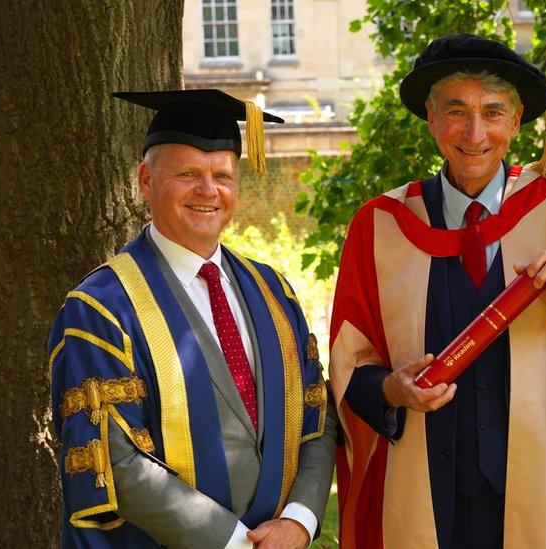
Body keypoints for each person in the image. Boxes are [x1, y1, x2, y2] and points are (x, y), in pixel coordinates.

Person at [328, 33, 546, 548]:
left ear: (515, 123)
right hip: (423, 494)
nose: (474, 132)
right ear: (429, 116)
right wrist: (391, 390)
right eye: (455, 110)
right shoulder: (380, 226)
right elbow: (347, 371)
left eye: (492, 112)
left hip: (544, 492)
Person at [49, 89, 336, 548]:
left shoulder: (273, 292)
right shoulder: (101, 307)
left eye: (221, 175)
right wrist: (235, 543)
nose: (208, 191)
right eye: (187, 174)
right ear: (145, 181)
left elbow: (317, 414)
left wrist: (299, 521)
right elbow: (113, 459)